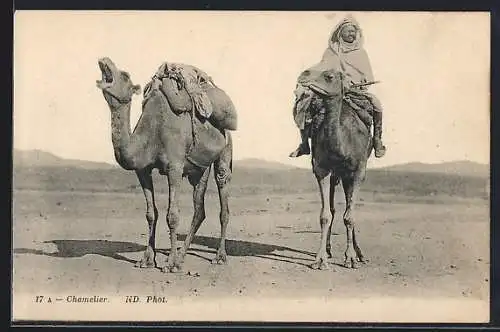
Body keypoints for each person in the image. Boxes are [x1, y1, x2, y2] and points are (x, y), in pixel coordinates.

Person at [289, 15, 387, 158]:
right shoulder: (331, 51)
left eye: (353, 31)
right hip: (331, 90)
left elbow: (367, 76)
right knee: (305, 102)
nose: (351, 34)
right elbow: (322, 69)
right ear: (340, 32)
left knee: (377, 105)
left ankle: (377, 140)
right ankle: (304, 144)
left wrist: (355, 84)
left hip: (353, 92)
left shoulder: (361, 53)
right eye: (348, 31)